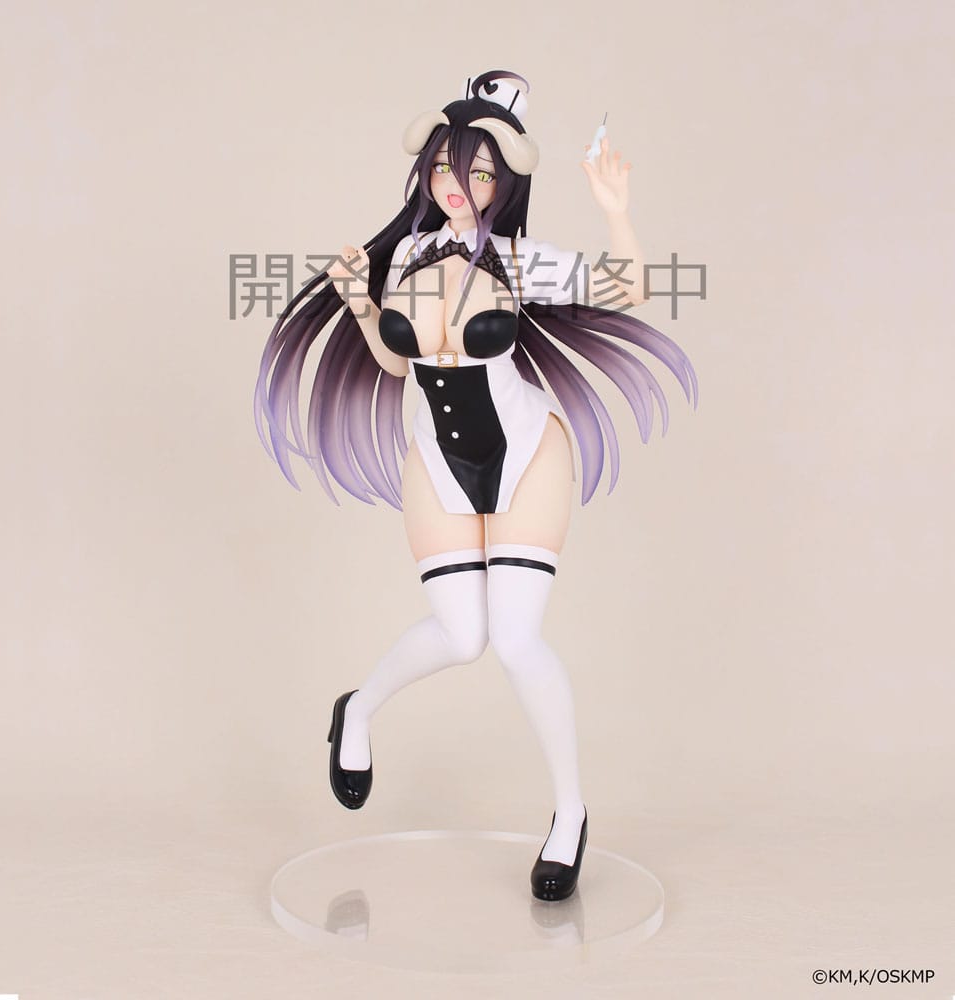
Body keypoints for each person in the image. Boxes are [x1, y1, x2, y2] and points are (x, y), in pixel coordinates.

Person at [254, 70, 698, 901]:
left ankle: (570, 814)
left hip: (527, 455)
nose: (457, 185)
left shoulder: (519, 261)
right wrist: (360, 305)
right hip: (437, 462)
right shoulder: (406, 256)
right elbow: (399, 366)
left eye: (479, 171)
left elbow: (631, 287)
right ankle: (358, 710)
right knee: (463, 637)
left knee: (517, 640)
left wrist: (615, 207)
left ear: (505, 183)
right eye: (444, 167)